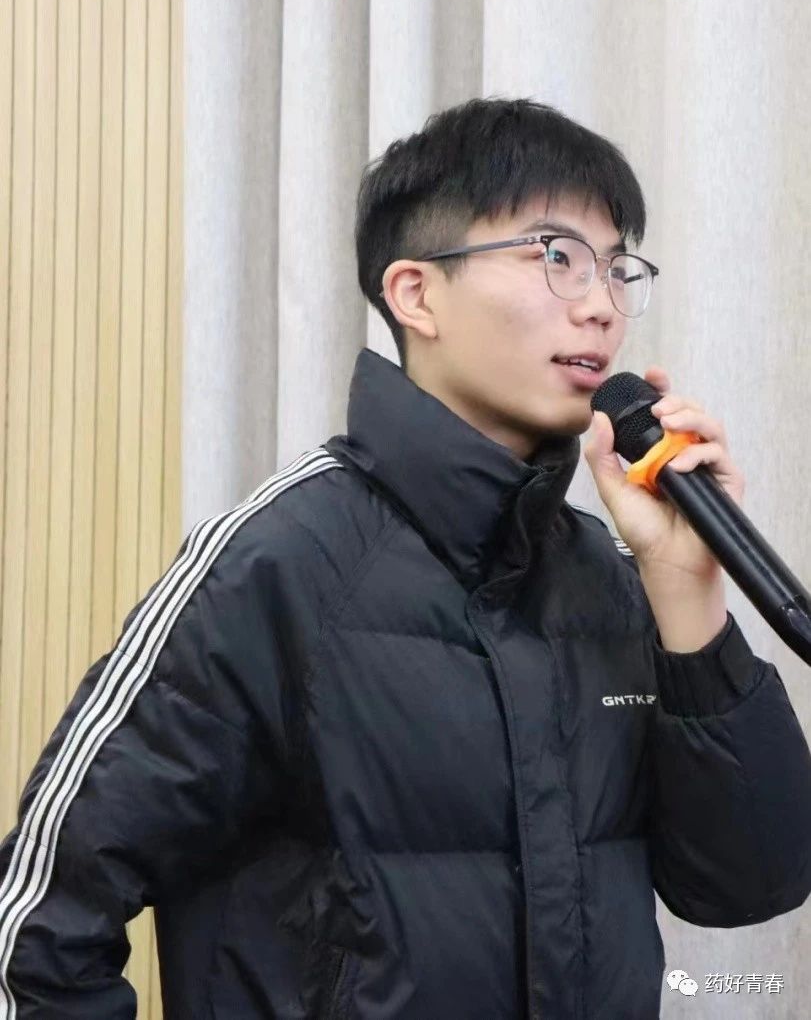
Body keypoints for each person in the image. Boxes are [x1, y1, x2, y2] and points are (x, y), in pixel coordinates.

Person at [1, 97, 810, 1020]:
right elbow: (35, 927)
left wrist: (684, 590)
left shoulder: (606, 578)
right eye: (556, 256)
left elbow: (748, 884)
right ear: (416, 294)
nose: (600, 305)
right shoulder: (276, 564)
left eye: (616, 267)